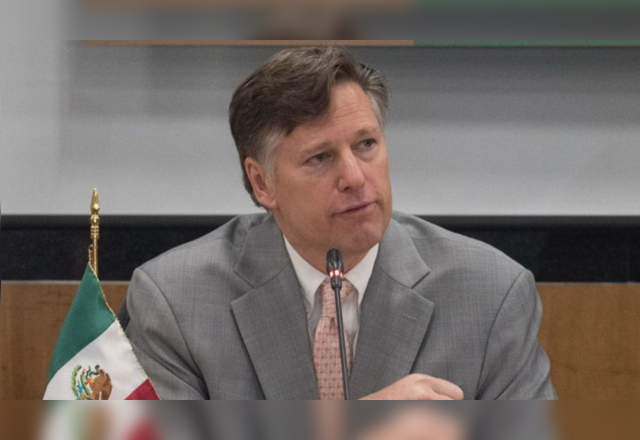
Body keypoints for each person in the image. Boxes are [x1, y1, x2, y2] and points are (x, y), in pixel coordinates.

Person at [122, 46, 557, 400]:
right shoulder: (176, 302)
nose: (354, 177)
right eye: (320, 157)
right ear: (262, 182)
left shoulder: (491, 295)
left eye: (366, 144)